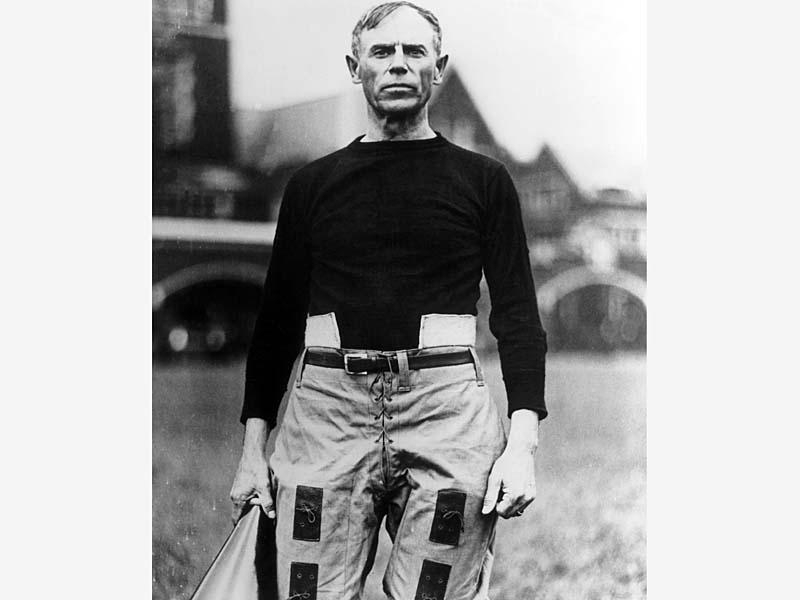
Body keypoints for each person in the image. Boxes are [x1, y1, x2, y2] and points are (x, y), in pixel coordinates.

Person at [229, 3, 548, 599]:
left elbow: (519, 320)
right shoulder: (310, 187)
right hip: (325, 412)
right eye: (381, 52)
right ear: (355, 67)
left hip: (446, 411)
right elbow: (274, 326)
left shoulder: (484, 181)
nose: (398, 64)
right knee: (307, 592)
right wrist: (253, 451)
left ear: (439, 66)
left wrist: (523, 446)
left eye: (414, 51)